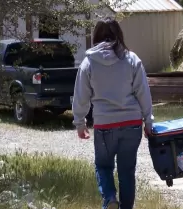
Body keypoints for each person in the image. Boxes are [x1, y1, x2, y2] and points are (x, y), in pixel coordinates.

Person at [72, 18, 153, 209]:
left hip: (104, 126)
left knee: (103, 166)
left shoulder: (89, 62)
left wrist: (80, 123)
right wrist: (148, 121)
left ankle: (109, 199)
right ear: (119, 35)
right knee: (127, 172)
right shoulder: (132, 59)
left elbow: (81, 96)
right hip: (132, 123)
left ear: (96, 36)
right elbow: (143, 92)